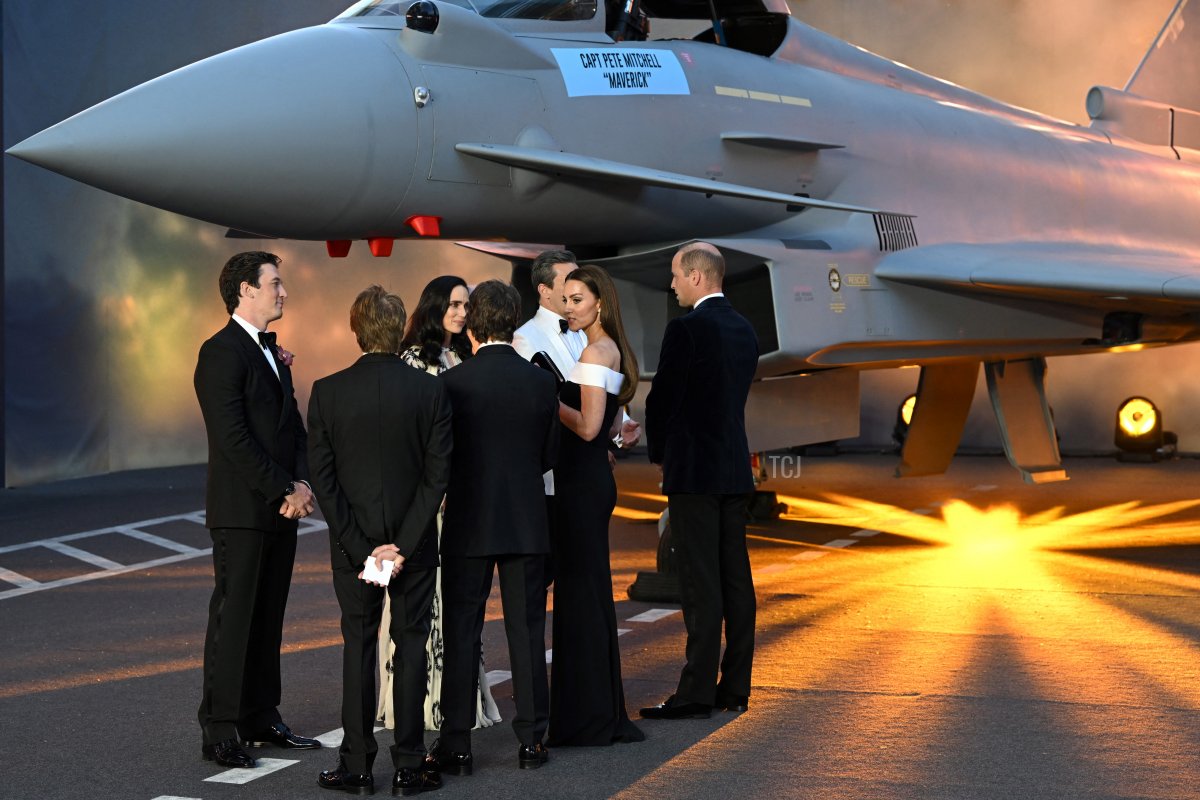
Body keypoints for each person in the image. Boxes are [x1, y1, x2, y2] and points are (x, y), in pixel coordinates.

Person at [307, 285, 451, 796]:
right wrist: (403, 544)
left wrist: (362, 545)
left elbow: (323, 481)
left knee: (358, 646)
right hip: (413, 546)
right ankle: (410, 766)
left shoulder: (327, 391)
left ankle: (357, 766)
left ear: (356, 330)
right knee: (410, 646)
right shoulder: (431, 391)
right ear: (399, 331)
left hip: (354, 548)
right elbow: (438, 477)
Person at [193, 251, 320, 769]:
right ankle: (220, 728)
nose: (282, 291)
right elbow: (232, 437)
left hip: (279, 509)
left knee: (269, 617)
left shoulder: (271, 352)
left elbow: (292, 428)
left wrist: (306, 480)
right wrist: (282, 489)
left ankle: (261, 716)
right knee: (234, 617)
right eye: (274, 283)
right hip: (243, 509)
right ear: (245, 289)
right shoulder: (220, 351)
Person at [428, 280, 558, 774]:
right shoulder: (541, 382)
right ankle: (531, 741)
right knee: (528, 631)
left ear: (476, 323)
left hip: (468, 520)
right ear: (513, 321)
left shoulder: (452, 384)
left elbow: (442, 457)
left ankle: (457, 744)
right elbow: (549, 455)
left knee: (463, 631)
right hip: (526, 518)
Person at [376, 276, 501, 733]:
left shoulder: (464, 356)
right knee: (422, 605)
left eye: (467, 305)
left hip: (462, 499)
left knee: (458, 605)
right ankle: (419, 704)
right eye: (453, 303)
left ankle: (457, 703)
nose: (462, 312)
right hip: (426, 502)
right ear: (432, 306)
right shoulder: (411, 361)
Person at [640, 242, 759, 720]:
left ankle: (694, 694)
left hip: (694, 472)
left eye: (674, 276)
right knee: (736, 580)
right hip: (733, 468)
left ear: (695, 277)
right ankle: (735, 687)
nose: (671, 286)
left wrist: (659, 453)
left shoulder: (687, 329)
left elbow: (663, 399)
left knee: (700, 582)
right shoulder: (744, 328)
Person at [548, 265, 645, 746]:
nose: (569, 307)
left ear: (599, 302)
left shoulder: (593, 350)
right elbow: (605, 428)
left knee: (580, 597)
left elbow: (585, 428)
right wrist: (621, 430)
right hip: (589, 482)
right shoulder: (611, 350)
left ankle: (586, 719)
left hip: (580, 487)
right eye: (565, 299)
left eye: (577, 298)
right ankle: (597, 712)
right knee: (586, 596)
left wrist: (547, 396)